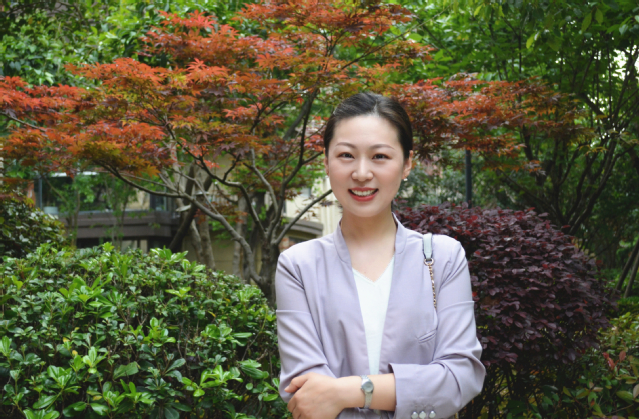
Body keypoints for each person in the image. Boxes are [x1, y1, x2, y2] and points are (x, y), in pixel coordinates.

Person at [275, 93, 485, 419]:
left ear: (407, 164)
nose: (362, 173)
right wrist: (412, 387)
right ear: (326, 162)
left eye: (380, 156)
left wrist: (351, 391)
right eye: (346, 155)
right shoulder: (298, 265)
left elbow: (460, 376)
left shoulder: (442, 258)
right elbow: (306, 391)